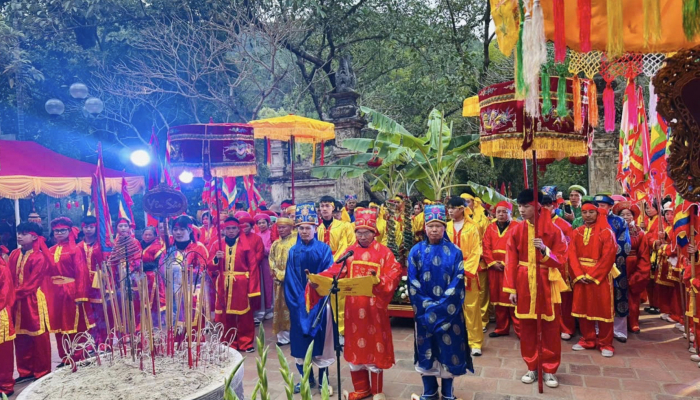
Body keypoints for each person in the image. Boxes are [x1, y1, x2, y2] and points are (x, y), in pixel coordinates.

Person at [309, 207, 402, 400]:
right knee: (355, 349)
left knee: (375, 348)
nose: (362, 236)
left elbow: (394, 274)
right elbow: (335, 270)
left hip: (374, 310)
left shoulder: (384, 253)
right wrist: (318, 279)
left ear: (374, 232)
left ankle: (377, 391)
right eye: (359, 232)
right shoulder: (349, 252)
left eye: (366, 232)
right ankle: (361, 389)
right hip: (353, 310)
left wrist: (379, 280)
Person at [407, 204, 473, 400]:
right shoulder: (416, 251)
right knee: (426, 349)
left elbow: (458, 280)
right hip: (424, 313)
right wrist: (427, 306)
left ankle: (447, 392)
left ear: (445, 227)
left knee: (449, 349)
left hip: (450, 313)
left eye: (438, 226)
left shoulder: (455, 252)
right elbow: (412, 282)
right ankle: (429, 391)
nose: (434, 230)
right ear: (425, 228)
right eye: (430, 226)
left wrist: (442, 306)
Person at [504, 189, 567, 388]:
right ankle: (531, 366)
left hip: (546, 281)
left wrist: (544, 250)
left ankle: (549, 369)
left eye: (526, 206)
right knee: (527, 327)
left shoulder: (554, 230)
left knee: (549, 327)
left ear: (537, 205)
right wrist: (511, 289)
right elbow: (510, 260)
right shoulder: (515, 230)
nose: (521, 210)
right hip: (523, 281)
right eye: (520, 206)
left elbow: (562, 258)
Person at [284, 202, 335, 394]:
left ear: (315, 228)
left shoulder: (323, 249)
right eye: (301, 228)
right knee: (300, 344)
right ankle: (306, 378)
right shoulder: (293, 251)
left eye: (308, 228)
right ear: (297, 229)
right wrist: (298, 302)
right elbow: (290, 279)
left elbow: (327, 273)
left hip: (320, 303)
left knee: (321, 344)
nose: (304, 231)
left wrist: (316, 295)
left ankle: (323, 380)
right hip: (299, 304)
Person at [569, 201, 618, 357]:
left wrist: (592, 275)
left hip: (600, 276)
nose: (587, 215)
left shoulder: (606, 232)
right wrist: (578, 274)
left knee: (603, 310)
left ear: (597, 213)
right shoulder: (576, 232)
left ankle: (606, 343)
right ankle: (587, 339)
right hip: (580, 276)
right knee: (583, 309)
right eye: (584, 212)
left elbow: (608, 257)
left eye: (591, 212)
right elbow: (571, 255)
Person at [46, 216, 94, 365]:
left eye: (62, 230)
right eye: (56, 231)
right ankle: (65, 356)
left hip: (71, 290)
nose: (59, 233)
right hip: (55, 292)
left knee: (76, 324)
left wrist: (80, 295)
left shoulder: (75, 249)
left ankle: (79, 355)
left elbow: (81, 272)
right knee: (59, 326)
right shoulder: (51, 250)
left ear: (69, 231)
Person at [9, 222, 52, 383]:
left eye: (23, 233)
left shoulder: (39, 257)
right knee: (20, 336)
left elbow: (31, 285)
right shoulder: (14, 254)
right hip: (15, 301)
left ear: (34, 236)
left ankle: (42, 371)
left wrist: (10, 295)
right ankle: (25, 371)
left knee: (38, 336)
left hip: (32, 300)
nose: (19, 236)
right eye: (18, 232)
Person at [208, 217, 257, 352]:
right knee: (226, 314)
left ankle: (246, 342)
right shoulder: (217, 245)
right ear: (224, 229)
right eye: (228, 228)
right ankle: (229, 341)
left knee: (244, 314)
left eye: (234, 228)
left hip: (241, 283)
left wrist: (252, 288)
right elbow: (210, 266)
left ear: (238, 229)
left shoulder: (245, 245)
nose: (231, 231)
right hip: (223, 282)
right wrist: (216, 259)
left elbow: (253, 267)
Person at [445, 196, 483, 356]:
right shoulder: (445, 227)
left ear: (462, 208)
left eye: (453, 208)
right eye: (449, 208)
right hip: (449, 273)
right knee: (451, 308)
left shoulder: (472, 227)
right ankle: (455, 339)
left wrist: (464, 270)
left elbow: (476, 251)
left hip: (468, 273)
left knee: (472, 308)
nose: (450, 211)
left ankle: (475, 342)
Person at [593, 194, 631, 343]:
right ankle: (597, 327)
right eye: (597, 205)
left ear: (609, 207)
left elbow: (625, 244)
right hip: (595, 266)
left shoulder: (619, 221)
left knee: (619, 295)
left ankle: (619, 330)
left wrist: (611, 261)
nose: (599, 208)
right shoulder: (590, 220)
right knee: (596, 296)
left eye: (602, 205)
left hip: (616, 266)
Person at [165, 216, 209, 331]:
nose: (178, 232)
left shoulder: (198, 247)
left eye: (182, 229)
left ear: (189, 230)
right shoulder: (170, 249)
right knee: (175, 328)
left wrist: (184, 270)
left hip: (193, 292)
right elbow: (162, 270)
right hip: (173, 293)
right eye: (175, 229)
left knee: (193, 329)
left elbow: (202, 270)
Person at [317, 196, 353, 337]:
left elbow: (348, 246)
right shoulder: (317, 228)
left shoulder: (344, 226)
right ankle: (325, 331)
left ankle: (341, 332)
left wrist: (333, 263)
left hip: (339, 266)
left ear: (333, 208)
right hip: (321, 268)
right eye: (322, 206)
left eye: (327, 205)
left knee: (339, 300)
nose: (324, 209)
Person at [483, 201, 520, 338]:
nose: (501, 214)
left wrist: (507, 263)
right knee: (498, 299)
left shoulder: (517, 227)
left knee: (513, 298)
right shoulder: (490, 227)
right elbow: (485, 247)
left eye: (504, 211)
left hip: (510, 268)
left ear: (510, 213)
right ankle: (501, 328)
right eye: (498, 211)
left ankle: (520, 330)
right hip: (494, 269)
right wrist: (492, 262)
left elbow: (520, 247)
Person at [614, 201, 650, 334]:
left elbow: (644, 255)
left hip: (633, 267)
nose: (625, 217)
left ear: (633, 216)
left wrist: (640, 273)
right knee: (616, 294)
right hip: (617, 266)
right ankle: (617, 323)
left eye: (628, 214)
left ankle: (633, 322)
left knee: (633, 296)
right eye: (622, 214)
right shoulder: (614, 231)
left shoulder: (640, 234)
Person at [542, 195, 575, 340]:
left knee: (563, 300)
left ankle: (566, 328)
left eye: (548, 206)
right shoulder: (536, 223)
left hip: (560, 266)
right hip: (542, 266)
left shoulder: (564, 225)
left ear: (554, 206)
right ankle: (549, 326)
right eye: (542, 206)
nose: (544, 209)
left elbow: (568, 249)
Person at [77, 216, 111, 344]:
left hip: (99, 283)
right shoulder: (79, 246)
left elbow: (108, 265)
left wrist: (108, 286)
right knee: (88, 314)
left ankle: (104, 341)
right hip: (84, 284)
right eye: (86, 227)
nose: (89, 230)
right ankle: (91, 342)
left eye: (91, 227)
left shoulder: (102, 245)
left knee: (101, 313)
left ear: (96, 227)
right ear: (82, 227)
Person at [461, 192, 491, 328]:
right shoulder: (458, 221)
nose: (466, 204)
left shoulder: (482, 220)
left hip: (480, 261)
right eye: (463, 202)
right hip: (463, 262)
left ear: (474, 203)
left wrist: (480, 257)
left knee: (482, 291)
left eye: (468, 201)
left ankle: (483, 320)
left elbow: (486, 240)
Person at [269, 216, 296, 346]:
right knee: (280, 308)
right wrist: (278, 274)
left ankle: (294, 334)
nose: (281, 230)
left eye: (284, 227)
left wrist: (288, 275)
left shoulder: (296, 242)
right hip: (279, 282)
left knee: (292, 308)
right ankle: (283, 337)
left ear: (291, 227)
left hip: (293, 282)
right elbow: (271, 261)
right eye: (279, 227)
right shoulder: (275, 244)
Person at [236, 211, 265, 324]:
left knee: (255, 293)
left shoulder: (256, 238)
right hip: (240, 271)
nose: (244, 229)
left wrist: (252, 264)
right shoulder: (237, 238)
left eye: (246, 226)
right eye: (241, 226)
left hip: (254, 270)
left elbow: (260, 253)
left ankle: (257, 315)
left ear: (251, 227)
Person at [140, 226, 166, 329]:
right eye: (145, 234)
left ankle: (156, 323)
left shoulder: (157, 247)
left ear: (155, 236)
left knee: (154, 300)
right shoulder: (139, 245)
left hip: (153, 277)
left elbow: (156, 264)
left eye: (150, 234)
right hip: (141, 277)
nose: (147, 237)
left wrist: (140, 266)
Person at [0, 245, 15, 396]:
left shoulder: (2, 269)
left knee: (3, 353)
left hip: (0, 315)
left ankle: (5, 386)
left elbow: (4, 296)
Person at [255, 213, 275, 321]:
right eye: (259, 223)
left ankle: (270, 308)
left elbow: (271, 250)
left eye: (263, 222)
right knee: (261, 286)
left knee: (268, 285)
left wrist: (261, 248)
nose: (261, 225)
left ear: (268, 223)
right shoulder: (256, 235)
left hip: (267, 262)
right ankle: (262, 309)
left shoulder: (271, 234)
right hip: (258, 263)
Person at [643, 200, 662, 315]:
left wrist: (645, 235)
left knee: (656, 280)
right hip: (648, 253)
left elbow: (654, 238)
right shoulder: (645, 220)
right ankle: (652, 303)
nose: (649, 210)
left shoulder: (660, 221)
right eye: (647, 208)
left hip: (656, 253)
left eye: (652, 207)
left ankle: (657, 305)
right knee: (649, 280)